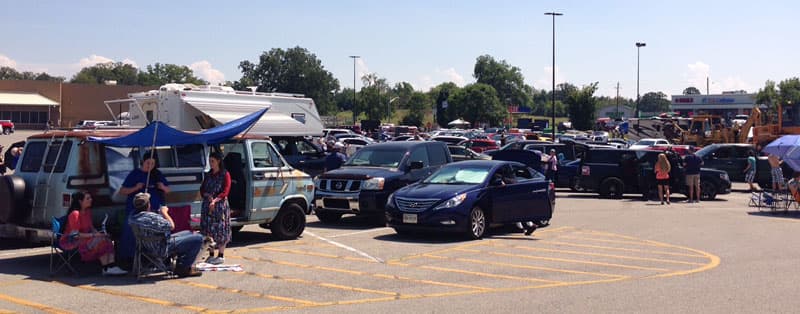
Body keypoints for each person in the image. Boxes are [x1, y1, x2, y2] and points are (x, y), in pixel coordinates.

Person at [129, 193, 203, 277]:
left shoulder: (133, 217)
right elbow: (171, 226)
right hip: (161, 248)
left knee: (188, 233)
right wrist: (164, 213)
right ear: (148, 205)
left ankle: (180, 264)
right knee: (198, 238)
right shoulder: (152, 218)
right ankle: (183, 268)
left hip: (145, 248)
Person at [118, 153, 172, 260]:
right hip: (136, 210)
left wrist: (162, 187)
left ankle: (155, 256)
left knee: (155, 233)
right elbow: (122, 191)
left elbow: (168, 190)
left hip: (154, 209)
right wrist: (136, 187)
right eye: (148, 163)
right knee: (132, 232)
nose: (150, 166)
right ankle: (130, 257)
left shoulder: (156, 174)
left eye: (152, 164)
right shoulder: (135, 174)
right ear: (143, 161)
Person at [60, 191, 127, 276]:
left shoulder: (87, 212)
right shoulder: (75, 214)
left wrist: (99, 234)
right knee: (101, 242)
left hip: (85, 237)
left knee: (106, 239)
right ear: (80, 201)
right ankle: (107, 267)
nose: (91, 200)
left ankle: (109, 266)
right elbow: (75, 234)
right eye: (88, 198)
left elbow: (91, 228)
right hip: (72, 240)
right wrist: (95, 235)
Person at [200, 152, 231, 265]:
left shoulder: (225, 174)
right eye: (210, 161)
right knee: (208, 230)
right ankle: (211, 254)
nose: (211, 163)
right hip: (208, 205)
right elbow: (202, 189)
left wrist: (216, 200)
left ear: (218, 161)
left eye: (212, 161)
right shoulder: (208, 175)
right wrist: (207, 196)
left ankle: (221, 255)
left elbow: (225, 191)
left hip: (219, 206)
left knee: (221, 229)